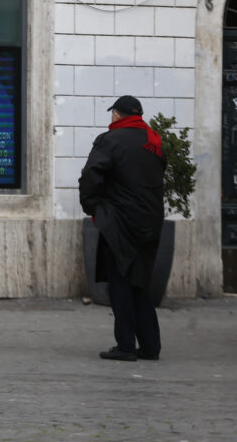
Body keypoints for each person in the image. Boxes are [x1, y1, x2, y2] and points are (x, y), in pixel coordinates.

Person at [79, 95, 166, 362]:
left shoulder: (110, 141)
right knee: (140, 282)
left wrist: (92, 207)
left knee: (120, 282)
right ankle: (150, 346)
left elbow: (91, 176)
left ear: (118, 114)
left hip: (120, 222)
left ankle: (126, 345)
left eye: (113, 113)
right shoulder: (155, 141)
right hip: (150, 222)